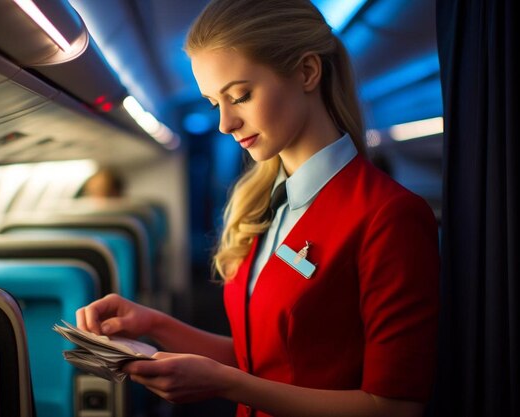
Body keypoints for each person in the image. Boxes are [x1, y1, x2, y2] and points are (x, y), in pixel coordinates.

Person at [76, 0, 440, 416]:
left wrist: (225, 383)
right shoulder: (267, 204)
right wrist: (154, 325)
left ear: (307, 72)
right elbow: (264, 360)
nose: (224, 123)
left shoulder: (389, 216)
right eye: (216, 103)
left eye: (241, 96)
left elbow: (395, 407)